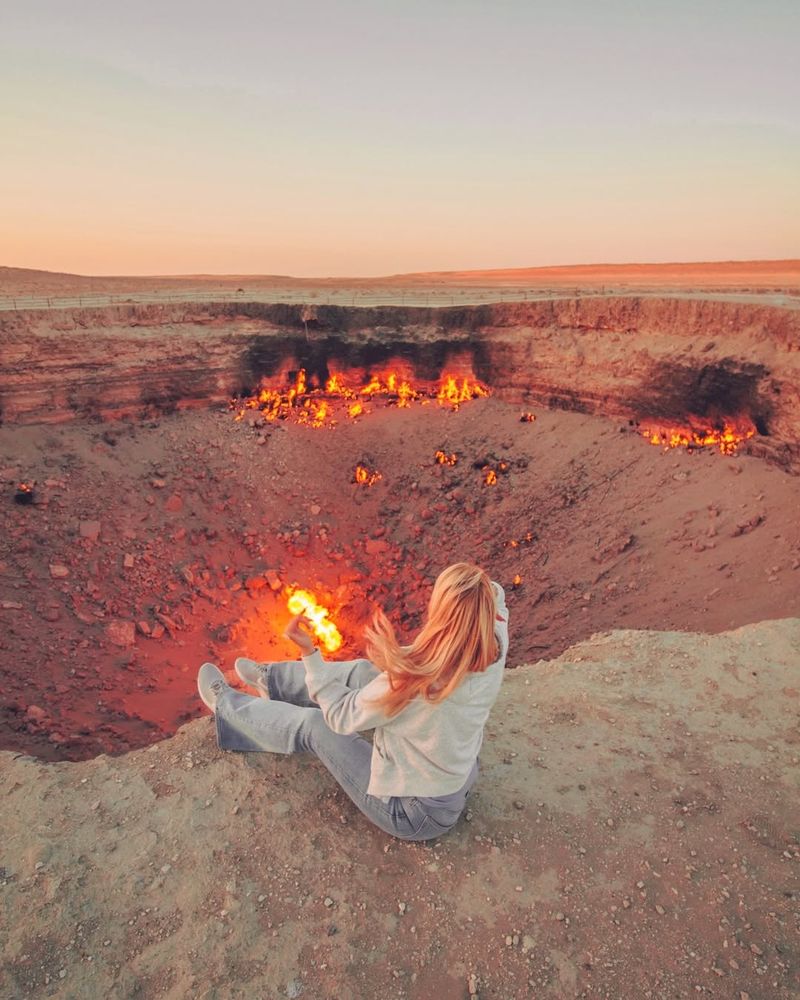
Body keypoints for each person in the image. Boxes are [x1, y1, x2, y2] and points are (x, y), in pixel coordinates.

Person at [196, 562, 509, 841]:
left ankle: (229, 710)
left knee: (317, 726)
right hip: (455, 778)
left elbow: (341, 716)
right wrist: (472, 590)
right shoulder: (495, 639)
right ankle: (274, 682)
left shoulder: (414, 683)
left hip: (415, 811)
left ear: (440, 613)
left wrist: (309, 654)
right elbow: (495, 594)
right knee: (363, 672)